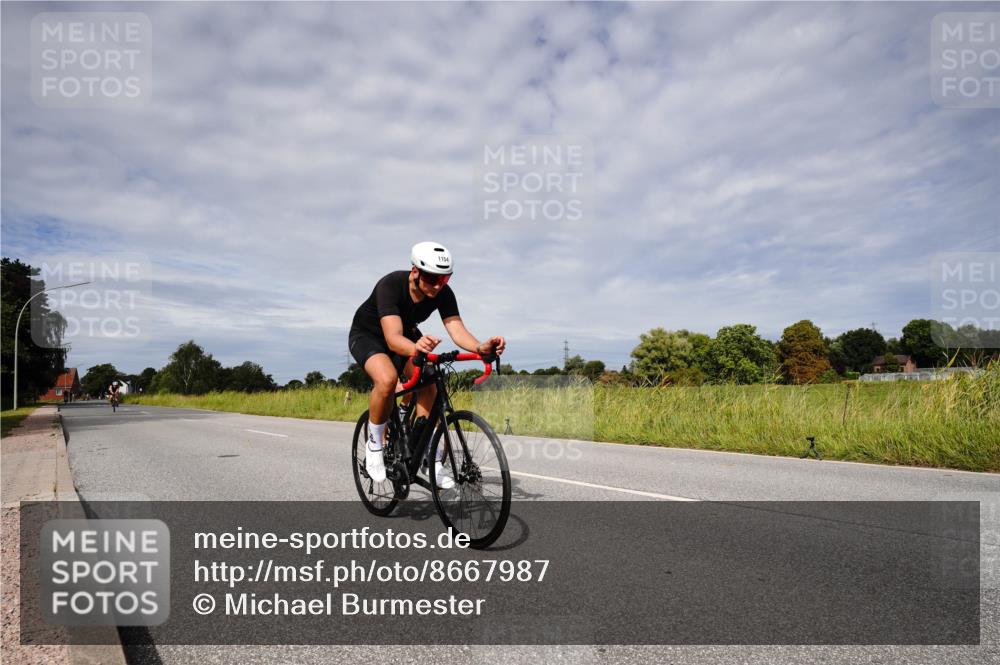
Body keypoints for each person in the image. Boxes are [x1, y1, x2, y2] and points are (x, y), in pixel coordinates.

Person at [348, 242, 505, 488]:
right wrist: (417, 348)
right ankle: (375, 444)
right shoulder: (391, 285)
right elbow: (392, 339)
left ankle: (426, 456)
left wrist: (479, 347)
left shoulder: (443, 292)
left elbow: (457, 329)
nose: (438, 285)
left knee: (429, 380)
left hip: (406, 335)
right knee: (387, 379)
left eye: (445, 279)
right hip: (369, 336)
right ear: (415, 272)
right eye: (432, 279)